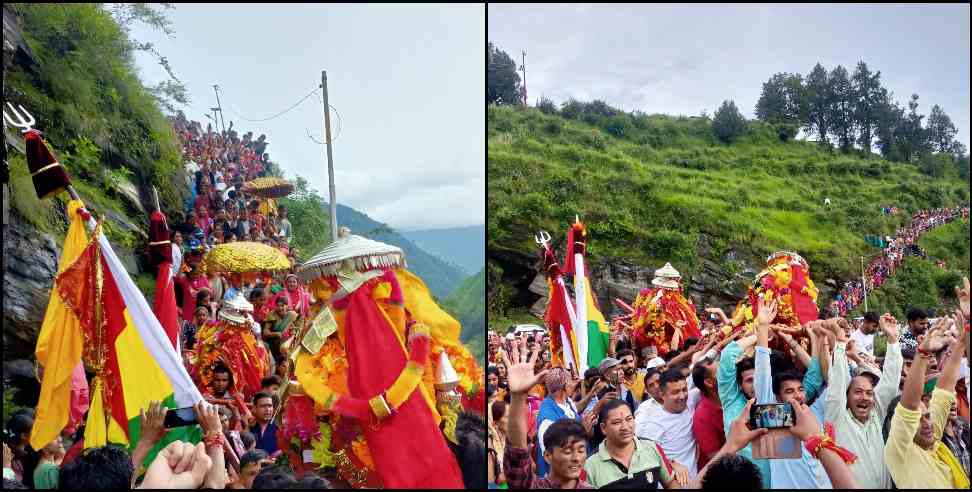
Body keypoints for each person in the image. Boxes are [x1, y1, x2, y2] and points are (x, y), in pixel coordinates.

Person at [885, 313, 970, 488]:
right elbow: (909, 406)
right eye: (917, 419)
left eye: (927, 416)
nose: (927, 423)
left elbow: (944, 390)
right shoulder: (900, 453)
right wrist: (923, 354)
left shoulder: (933, 441)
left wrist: (961, 344)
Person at [753, 298, 830, 489]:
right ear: (777, 398)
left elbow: (832, 381)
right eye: (789, 391)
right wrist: (763, 328)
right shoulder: (773, 417)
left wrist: (824, 339)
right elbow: (762, 376)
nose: (797, 395)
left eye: (800, 389)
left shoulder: (816, 413)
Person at [823, 312, 901, 488]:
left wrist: (893, 341)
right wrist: (841, 344)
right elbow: (837, 384)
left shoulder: (876, 417)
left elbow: (890, 382)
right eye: (857, 392)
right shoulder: (837, 419)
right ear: (847, 397)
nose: (864, 397)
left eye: (869, 393)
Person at [502, 344, 591, 488]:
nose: (576, 458)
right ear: (548, 456)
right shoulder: (547, 420)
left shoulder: (567, 402)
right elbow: (517, 462)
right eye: (567, 451)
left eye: (581, 450)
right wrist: (517, 397)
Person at [583, 398, 682, 488]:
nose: (625, 427)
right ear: (603, 428)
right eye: (617, 422)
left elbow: (670, 482)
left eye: (629, 419)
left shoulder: (652, 448)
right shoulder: (589, 466)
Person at [635, 366, 703, 480]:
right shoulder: (654, 423)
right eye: (675, 392)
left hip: (695, 481)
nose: (682, 396)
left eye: (684, 390)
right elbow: (643, 457)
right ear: (662, 395)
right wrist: (670, 463)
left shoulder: (690, 400)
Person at [534, 365, 581, 478]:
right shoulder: (547, 420)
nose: (573, 385)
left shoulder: (567, 401)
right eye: (570, 381)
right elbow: (552, 457)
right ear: (565, 386)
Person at [691, 357, 725, 471]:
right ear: (709, 382)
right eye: (722, 372)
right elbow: (716, 457)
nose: (729, 373)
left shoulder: (734, 395)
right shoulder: (702, 417)